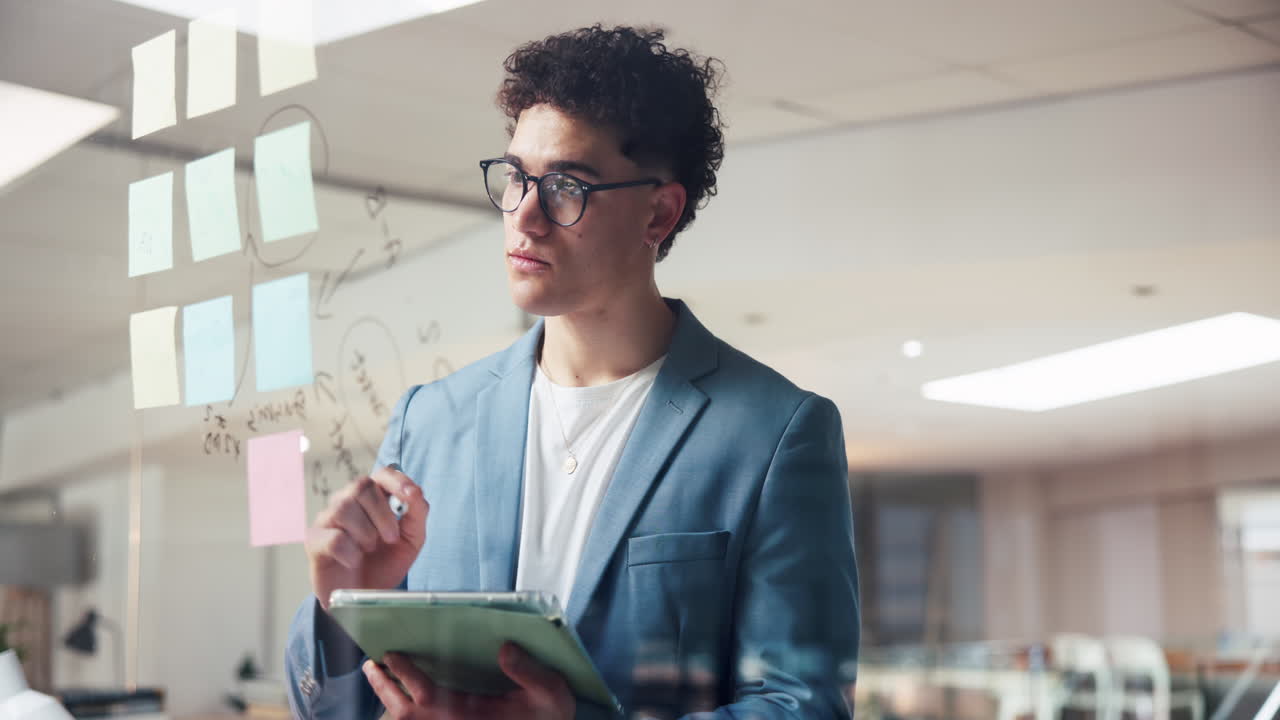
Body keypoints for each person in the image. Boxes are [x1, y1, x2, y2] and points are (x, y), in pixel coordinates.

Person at [284, 24, 859, 720]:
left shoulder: (775, 433)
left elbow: (804, 707)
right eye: (516, 177)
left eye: (565, 187)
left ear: (659, 211)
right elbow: (339, 709)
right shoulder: (431, 420)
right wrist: (337, 608)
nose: (524, 216)